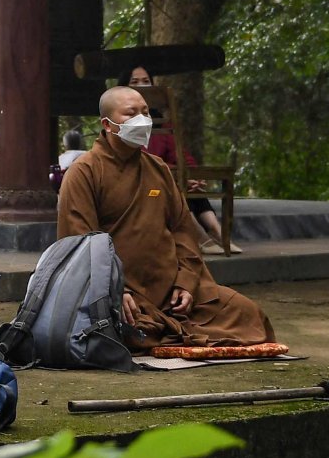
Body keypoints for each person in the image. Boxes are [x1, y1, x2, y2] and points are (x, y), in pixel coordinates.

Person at [59, 85, 277, 350]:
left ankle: (170, 328)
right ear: (107, 124)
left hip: (171, 290)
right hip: (122, 293)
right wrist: (117, 290)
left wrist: (185, 283)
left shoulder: (158, 169)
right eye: (131, 114)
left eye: (146, 113)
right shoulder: (84, 172)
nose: (142, 120)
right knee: (126, 328)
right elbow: (80, 242)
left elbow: (183, 230)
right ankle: (164, 330)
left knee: (249, 314)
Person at [122, 66, 228, 252]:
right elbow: (140, 159)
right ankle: (199, 237)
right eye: (135, 82)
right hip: (143, 187)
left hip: (166, 177)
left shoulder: (163, 124)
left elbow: (181, 155)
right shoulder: (119, 121)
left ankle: (218, 233)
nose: (142, 86)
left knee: (185, 185)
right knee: (170, 186)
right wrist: (175, 173)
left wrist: (192, 175)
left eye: (146, 81)